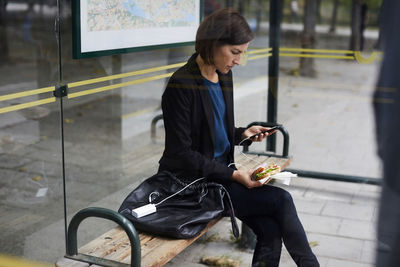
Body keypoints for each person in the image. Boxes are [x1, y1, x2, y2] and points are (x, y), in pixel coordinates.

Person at [158, 8, 319, 267]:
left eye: (243, 52)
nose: (239, 61)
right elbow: (181, 154)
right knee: (282, 199)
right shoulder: (181, 85)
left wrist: (242, 134)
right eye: (235, 52)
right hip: (196, 186)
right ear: (212, 44)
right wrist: (234, 175)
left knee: (270, 227)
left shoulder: (223, 75)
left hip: (222, 177)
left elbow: (213, 131)